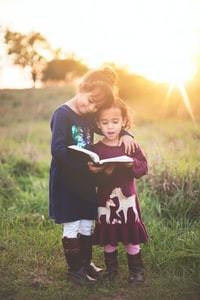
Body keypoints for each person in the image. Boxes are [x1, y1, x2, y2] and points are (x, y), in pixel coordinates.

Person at [49, 67, 135, 285]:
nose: (91, 108)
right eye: (90, 101)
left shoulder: (88, 115)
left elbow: (105, 125)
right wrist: (83, 165)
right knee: (72, 224)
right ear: (82, 87)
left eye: (96, 106)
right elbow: (58, 149)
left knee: (87, 222)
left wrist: (125, 133)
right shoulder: (62, 114)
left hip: (86, 181)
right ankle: (74, 271)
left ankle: (86, 263)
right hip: (67, 180)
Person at [88, 97, 148, 284]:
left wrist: (132, 164)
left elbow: (143, 167)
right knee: (108, 237)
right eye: (105, 122)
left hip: (127, 199)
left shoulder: (129, 145)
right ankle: (111, 270)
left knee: (131, 236)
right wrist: (97, 171)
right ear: (98, 124)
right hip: (105, 200)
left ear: (123, 122)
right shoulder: (95, 149)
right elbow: (92, 179)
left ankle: (136, 271)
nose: (110, 127)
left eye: (115, 122)